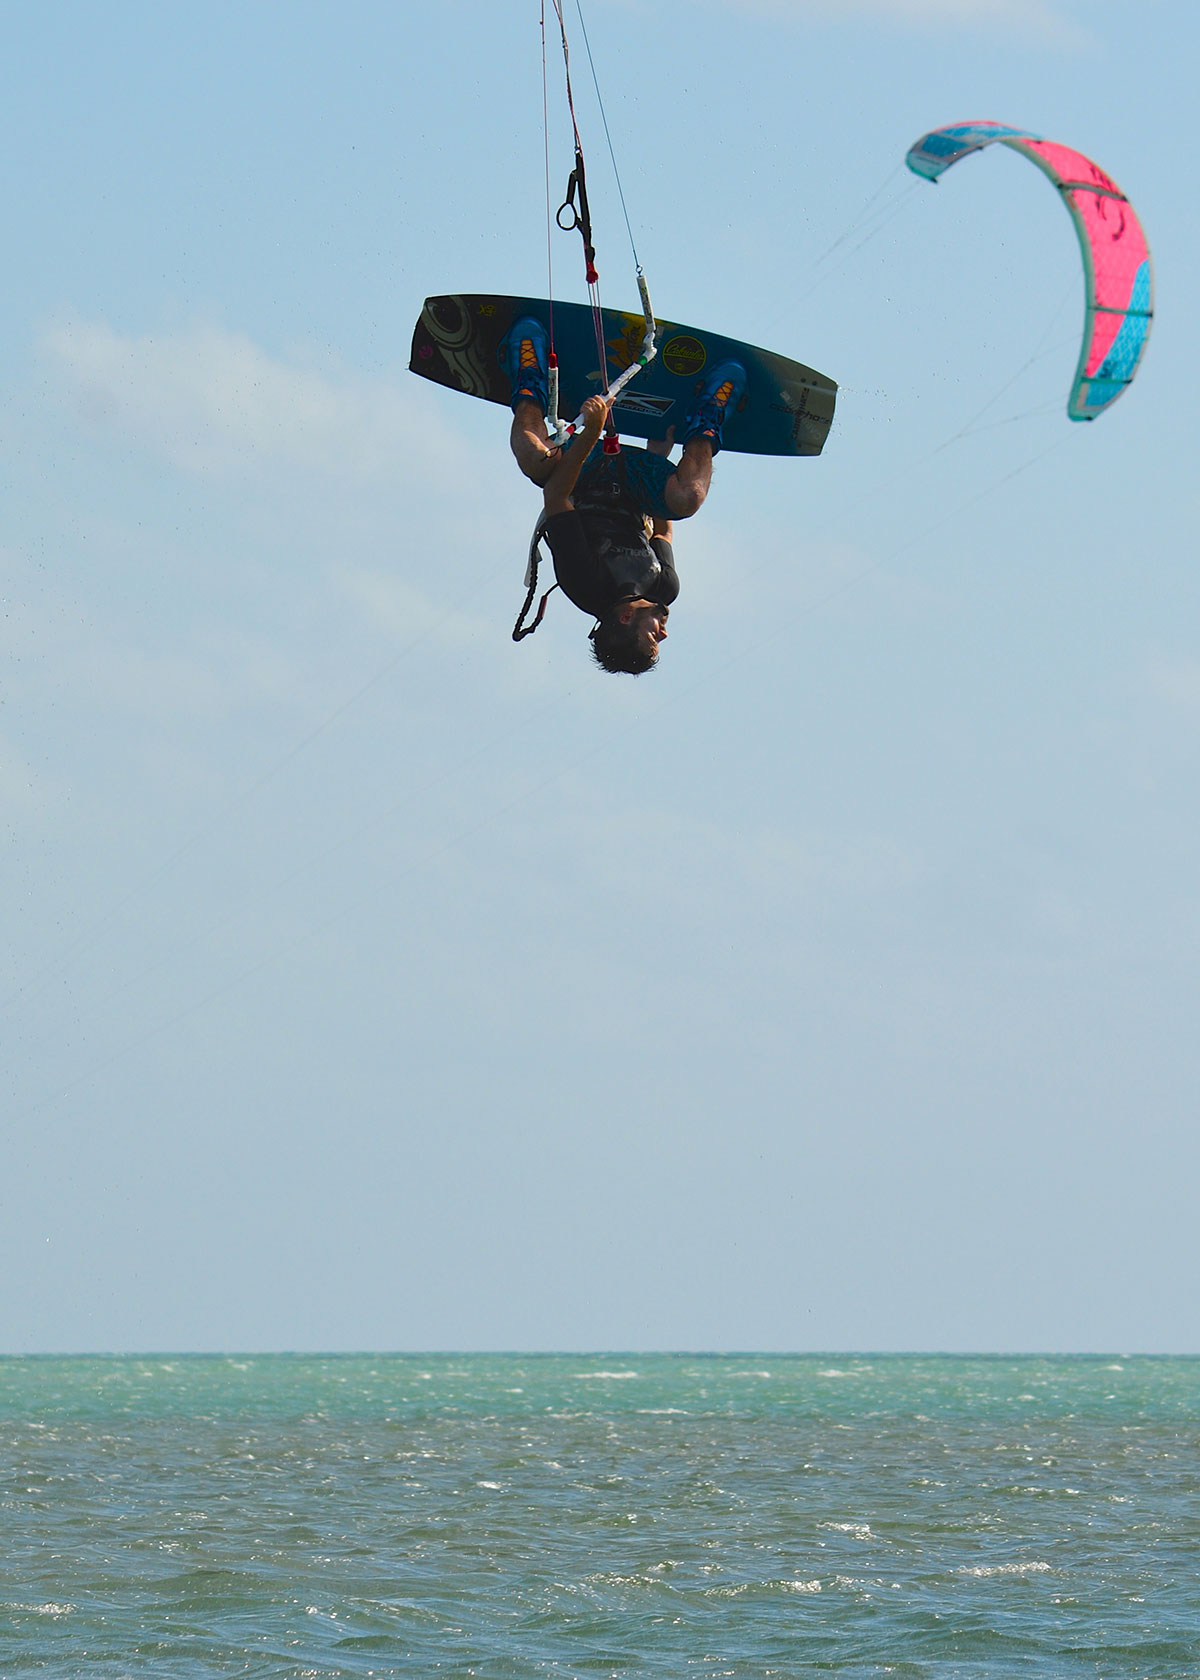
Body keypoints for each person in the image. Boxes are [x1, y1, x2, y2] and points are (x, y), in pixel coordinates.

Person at [504, 316, 746, 674]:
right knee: (688, 498)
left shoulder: (585, 584)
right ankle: (708, 416)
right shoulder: (664, 589)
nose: (664, 633)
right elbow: (662, 532)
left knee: (532, 456)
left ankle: (531, 377)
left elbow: (556, 497)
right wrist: (658, 461)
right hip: (633, 483)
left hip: (577, 474)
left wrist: (590, 435)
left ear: (625, 618)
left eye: (653, 638)